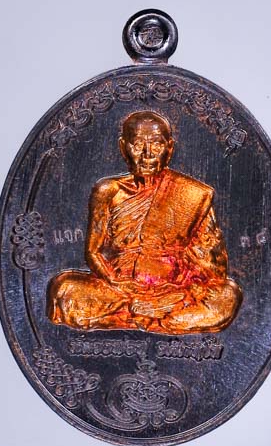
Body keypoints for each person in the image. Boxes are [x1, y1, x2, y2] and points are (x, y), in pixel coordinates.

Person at [47, 111, 241, 334]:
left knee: (228, 295)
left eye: (157, 145)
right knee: (63, 289)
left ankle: (146, 313)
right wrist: (115, 281)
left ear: (169, 149)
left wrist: (176, 294)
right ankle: (155, 316)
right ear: (123, 147)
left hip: (173, 290)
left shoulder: (193, 195)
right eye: (138, 145)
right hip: (119, 289)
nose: (147, 155)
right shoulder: (108, 191)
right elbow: (93, 252)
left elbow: (213, 269)